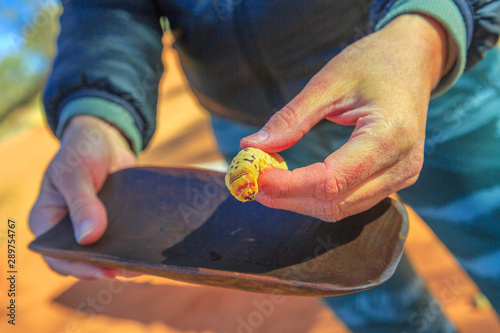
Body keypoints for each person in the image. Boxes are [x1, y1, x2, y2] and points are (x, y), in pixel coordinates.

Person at [30, 0, 500, 331]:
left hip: (426, 78)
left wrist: (424, 30)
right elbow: (107, 8)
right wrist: (96, 113)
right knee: (381, 317)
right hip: (248, 126)